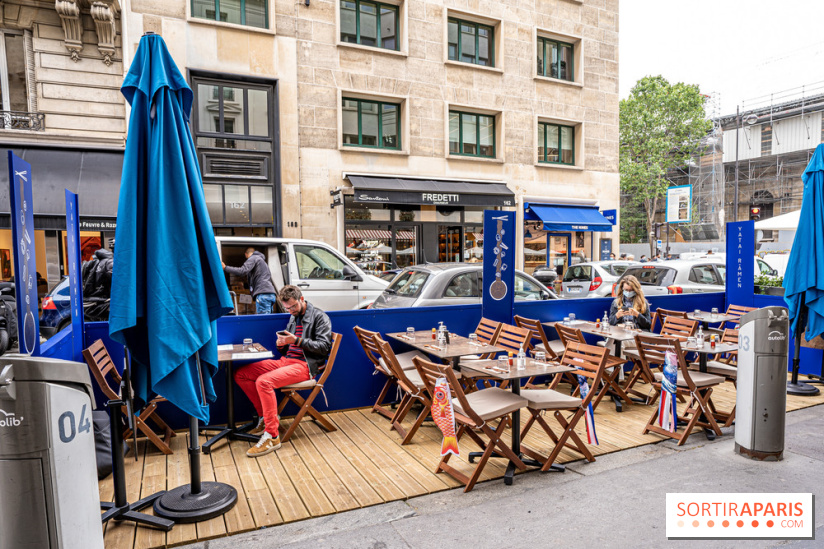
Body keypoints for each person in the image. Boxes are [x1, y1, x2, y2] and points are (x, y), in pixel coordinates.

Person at [235, 285, 333, 457]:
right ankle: (265, 419)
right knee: (241, 374)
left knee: (264, 382)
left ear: (302, 299)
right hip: (286, 361)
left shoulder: (320, 317)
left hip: (306, 366)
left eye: (293, 306)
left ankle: (272, 436)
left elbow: (324, 348)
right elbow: (290, 348)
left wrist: (296, 340)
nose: (291, 310)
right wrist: (282, 345)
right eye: (287, 308)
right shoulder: (293, 317)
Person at [222, 247, 277, 314]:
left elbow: (242, 271)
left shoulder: (253, 258)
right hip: (270, 294)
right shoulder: (262, 262)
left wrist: (225, 268)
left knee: (263, 321)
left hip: (263, 294)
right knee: (268, 320)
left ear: (246, 254)